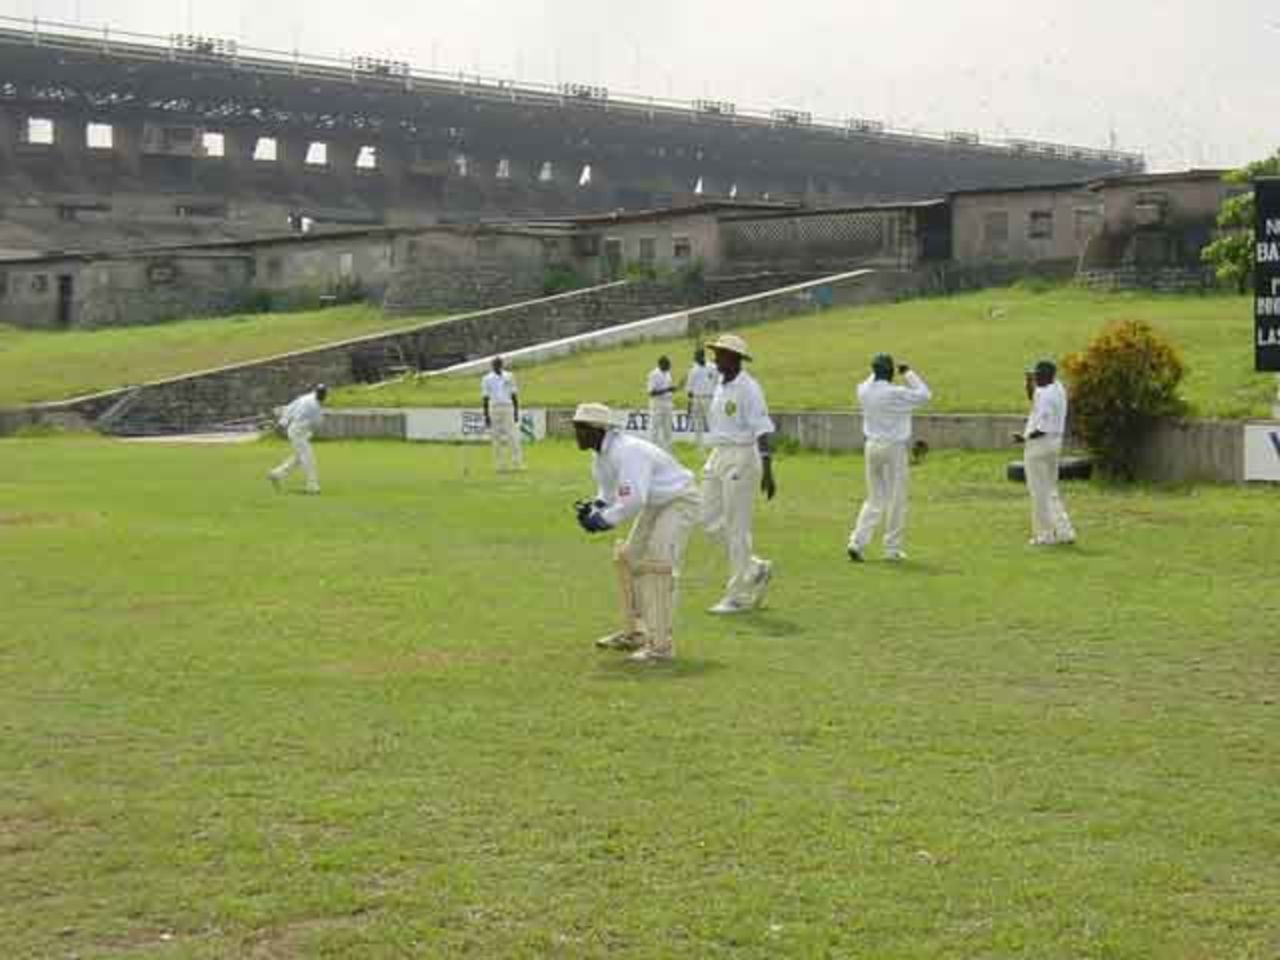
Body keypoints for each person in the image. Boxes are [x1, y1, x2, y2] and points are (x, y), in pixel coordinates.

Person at [572, 403, 701, 663]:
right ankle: (637, 632)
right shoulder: (600, 457)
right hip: (656, 503)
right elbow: (608, 496)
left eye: (581, 429)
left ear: (598, 430)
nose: (576, 434)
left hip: (680, 500)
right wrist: (593, 509)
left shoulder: (627, 451)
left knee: (657, 566)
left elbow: (633, 501)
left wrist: (603, 521)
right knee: (629, 558)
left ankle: (661, 646)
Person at [701, 333, 776, 614]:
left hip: (742, 457)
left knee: (737, 527)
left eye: (720, 353)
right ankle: (754, 568)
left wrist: (768, 469)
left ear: (734, 358)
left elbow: (763, 429)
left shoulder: (749, 388)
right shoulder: (721, 382)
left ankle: (738, 596)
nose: (715, 357)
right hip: (718, 454)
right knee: (707, 519)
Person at [848, 354, 932, 562]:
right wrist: (908, 373)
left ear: (874, 371)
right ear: (891, 373)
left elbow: (869, 380)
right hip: (893, 448)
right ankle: (891, 548)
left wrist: (877, 371)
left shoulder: (864, 391)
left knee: (874, 498)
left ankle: (856, 542)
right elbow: (925, 395)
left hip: (871, 447)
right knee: (897, 498)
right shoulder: (896, 393)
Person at [1015, 359, 1076, 546]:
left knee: (1038, 492)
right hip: (1055, 444)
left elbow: (1041, 428)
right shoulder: (1057, 388)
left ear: (1046, 376)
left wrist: (1023, 438)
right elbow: (1034, 397)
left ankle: (1045, 535)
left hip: (1039, 445)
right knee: (1050, 490)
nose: (1035, 378)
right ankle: (1064, 532)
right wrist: (1028, 384)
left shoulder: (1047, 396)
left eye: (1037, 375)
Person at [268, 383, 327, 494]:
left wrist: (282, 422)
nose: (322, 397)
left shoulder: (307, 397)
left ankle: (276, 474)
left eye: (323, 394)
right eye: (321, 394)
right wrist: (282, 423)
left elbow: (292, 407)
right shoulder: (314, 405)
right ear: (318, 393)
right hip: (297, 433)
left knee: (299, 459)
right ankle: (312, 486)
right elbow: (317, 423)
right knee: (309, 458)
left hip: (299, 432)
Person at [481, 356, 523, 472]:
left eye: (499, 364)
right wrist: (486, 415)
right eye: (495, 365)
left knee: (513, 436)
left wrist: (516, 412)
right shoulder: (486, 379)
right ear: (492, 366)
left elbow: (514, 395)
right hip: (494, 407)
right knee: (496, 437)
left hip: (507, 407)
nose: (497, 367)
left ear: (502, 365)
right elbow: (485, 398)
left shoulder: (509, 376)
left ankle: (517, 463)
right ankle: (499, 465)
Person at [684, 347, 719, 448]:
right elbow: (689, 390)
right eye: (695, 357)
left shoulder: (712, 367)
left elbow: (718, 382)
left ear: (702, 356)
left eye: (697, 356)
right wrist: (689, 404)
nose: (695, 358)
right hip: (696, 398)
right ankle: (699, 446)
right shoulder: (693, 370)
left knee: (712, 421)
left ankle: (715, 444)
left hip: (709, 398)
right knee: (697, 423)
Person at [646, 355, 676, 451]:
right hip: (657, 405)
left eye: (669, 365)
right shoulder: (653, 374)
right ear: (661, 364)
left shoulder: (668, 374)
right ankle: (651, 450)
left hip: (667, 404)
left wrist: (672, 389)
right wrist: (667, 389)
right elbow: (651, 392)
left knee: (668, 430)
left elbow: (668, 388)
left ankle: (668, 452)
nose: (669, 367)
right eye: (667, 365)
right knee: (654, 429)